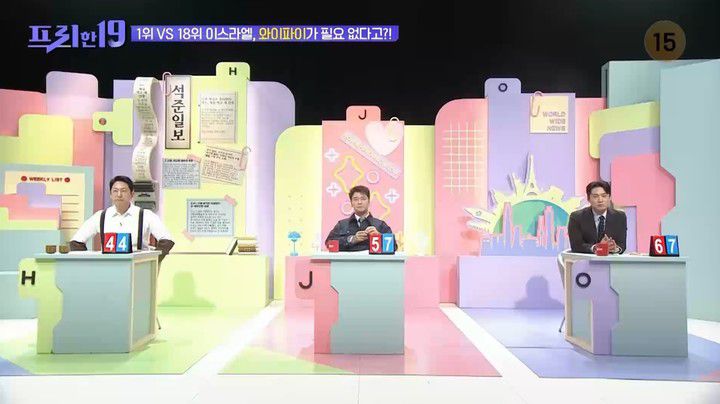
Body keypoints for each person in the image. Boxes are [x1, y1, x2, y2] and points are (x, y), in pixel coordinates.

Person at [70, 176, 175, 262]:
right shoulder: (100, 216)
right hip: (107, 269)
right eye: (115, 191)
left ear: (132, 194)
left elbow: (167, 240)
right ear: (110, 194)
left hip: (137, 269)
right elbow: (76, 242)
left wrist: (152, 261)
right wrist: (89, 264)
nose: (119, 195)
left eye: (123, 191)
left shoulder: (146, 215)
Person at [325, 185, 395, 252]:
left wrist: (379, 236)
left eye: (363, 199)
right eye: (355, 199)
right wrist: (351, 239)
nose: (359, 202)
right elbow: (329, 243)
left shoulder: (380, 225)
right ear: (351, 203)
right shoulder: (342, 225)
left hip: (372, 260)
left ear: (369, 202)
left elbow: (394, 247)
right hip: (349, 260)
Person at [568, 180, 627, 254]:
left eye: (604, 196)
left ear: (609, 198)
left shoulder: (619, 217)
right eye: (595, 196)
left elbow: (622, 245)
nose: (600, 200)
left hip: (610, 260)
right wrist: (597, 248)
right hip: (586, 260)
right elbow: (576, 245)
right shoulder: (576, 217)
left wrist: (615, 249)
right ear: (588, 199)